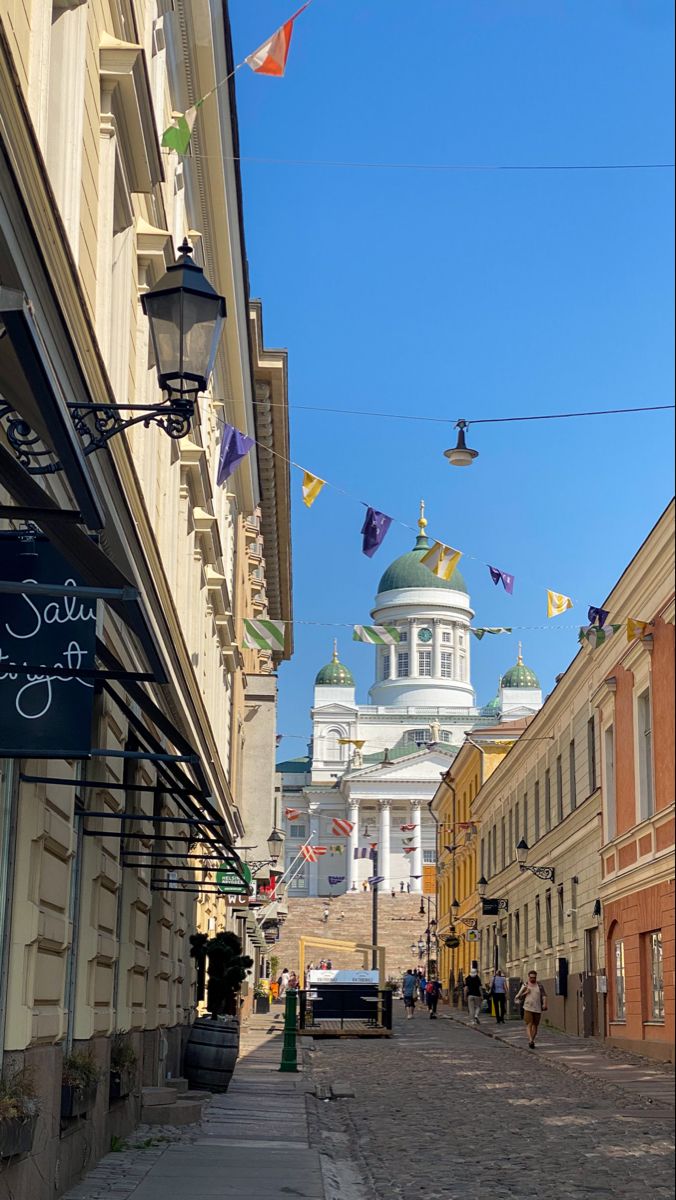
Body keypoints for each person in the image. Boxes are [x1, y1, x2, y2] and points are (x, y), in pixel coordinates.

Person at [515, 970, 548, 1048]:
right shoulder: (525, 985)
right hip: (527, 1007)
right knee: (529, 1024)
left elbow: (544, 995)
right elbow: (517, 997)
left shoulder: (539, 986)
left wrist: (545, 1004)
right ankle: (530, 1040)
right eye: (531, 977)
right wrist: (525, 992)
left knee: (535, 1025)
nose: (533, 979)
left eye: (534, 977)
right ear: (528, 977)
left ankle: (532, 1040)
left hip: (537, 1008)